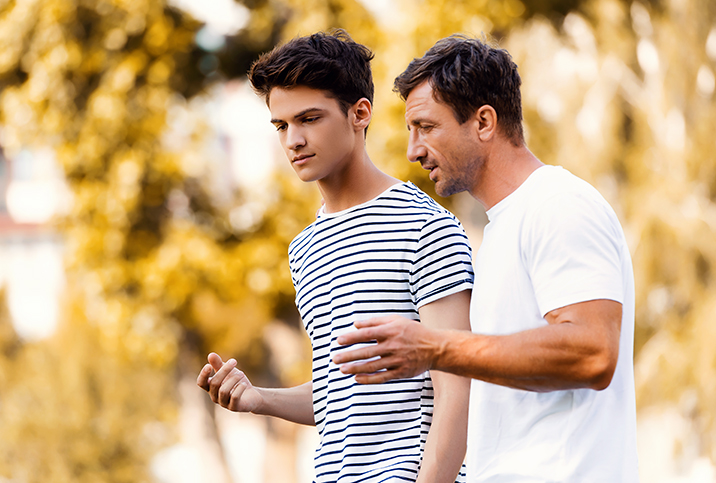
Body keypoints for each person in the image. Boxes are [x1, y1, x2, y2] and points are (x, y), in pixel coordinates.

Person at [334, 35, 639, 482]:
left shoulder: (558, 204)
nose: (413, 150)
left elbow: (592, 351)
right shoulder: (499, 230)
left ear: (483, 122)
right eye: (410, 131)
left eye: (426, 127)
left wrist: (435, 347)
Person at [196, 30, 475, 483]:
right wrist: (259, 398)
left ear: (359, 114)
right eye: (282, 125)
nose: (293, 140)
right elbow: (339, 397)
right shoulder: (304, 247)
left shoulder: (424, 224)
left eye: (310, 118)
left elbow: (458, 386)